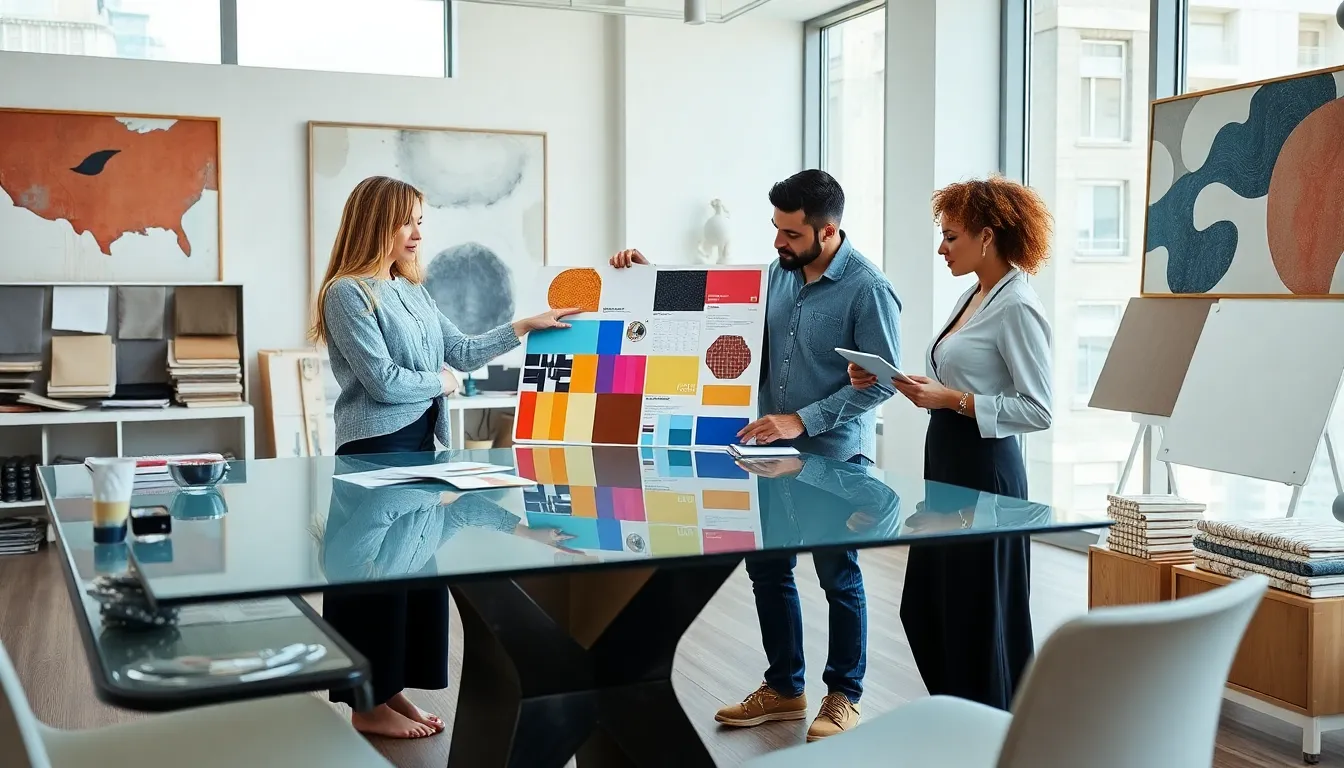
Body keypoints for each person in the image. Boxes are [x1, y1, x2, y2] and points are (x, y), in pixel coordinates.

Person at [609, 169, 901, 741]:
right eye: (776, 228)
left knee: (837, 575)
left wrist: (801, 419)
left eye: (791, 233)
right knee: (768, 569)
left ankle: (844, 696)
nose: (778, 241)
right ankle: (785, 689)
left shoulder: (868, 289)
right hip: (768, 453)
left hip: (834, 457)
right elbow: (714, 317)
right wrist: (646, 280)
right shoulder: (777, 274)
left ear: (828, 231)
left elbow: (885, 383)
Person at [309, 175, 578, 739]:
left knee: (413, 571)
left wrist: (524, 327)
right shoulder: (347, 293)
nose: (416, 233)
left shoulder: (413, 289)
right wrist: (443, 382)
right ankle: (366, 707)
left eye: (420, 221)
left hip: (419, 445)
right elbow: (383, 382)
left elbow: (462, 351)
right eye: (405, 221)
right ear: (376, 223)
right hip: (374, 448)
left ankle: (388, 692)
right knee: (373, 577)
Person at [848, 175, 1053, 710]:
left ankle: (988, 724)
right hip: (948, 460)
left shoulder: (1017, 306)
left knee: (974, 610)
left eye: (951, 236)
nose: (941, 248)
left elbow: (1038, 410)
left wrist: (952, 400)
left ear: (987, 236)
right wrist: (900, 382)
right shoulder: (975, 294)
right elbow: (961, 381)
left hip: (986, 469)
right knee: (928, 604)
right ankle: (961, 715)